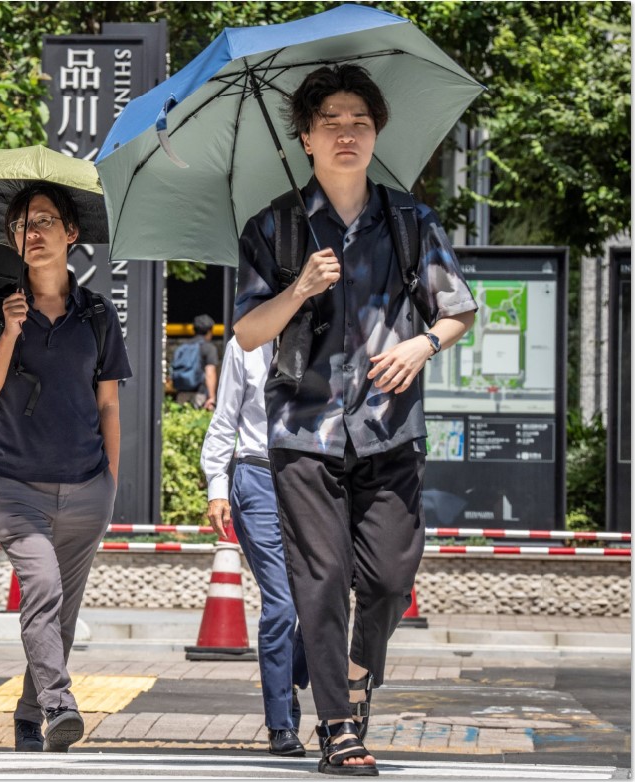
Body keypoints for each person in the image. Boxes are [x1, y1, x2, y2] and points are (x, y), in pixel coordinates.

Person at [232, 64, 476, 776]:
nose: (346, 133)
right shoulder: (273, 228)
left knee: (392, 577)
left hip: (389, 428)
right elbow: (248, 332)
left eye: (359, 122)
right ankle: (337, 727)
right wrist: (300, 286)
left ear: (375, 135)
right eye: (330, 122)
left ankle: (360, 669)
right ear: (304, 137)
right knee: (320, 576)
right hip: (302, 433)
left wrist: (421, 344)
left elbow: (457, 310)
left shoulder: (410, 221)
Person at [0, 182, 131, 753]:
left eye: (42, 222)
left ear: (71, 233)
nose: (31, 234)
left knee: (60, 614)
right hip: (17, 487)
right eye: (20, 225)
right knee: (41, 590)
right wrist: (12, 330)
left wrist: (109, 481)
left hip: (87, 486)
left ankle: (27, 714)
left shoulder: (97, 313)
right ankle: (61, 704)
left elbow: (108, 402)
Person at [200, 338, 309, 757]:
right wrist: (217, 486)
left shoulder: (328, 336)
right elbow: (225, 418)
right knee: (281, 605)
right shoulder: (245, 344)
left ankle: (291, 674)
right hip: (257, 475)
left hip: (311, 479)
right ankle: (281, 723)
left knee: (325, 601)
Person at [171, 313, 219, 410]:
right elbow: (210, 372)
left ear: (194, 330)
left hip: (181, 394)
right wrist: (212, 397)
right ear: (210, 331)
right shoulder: (208, 348)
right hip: (199, 395)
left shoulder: (182, 348)